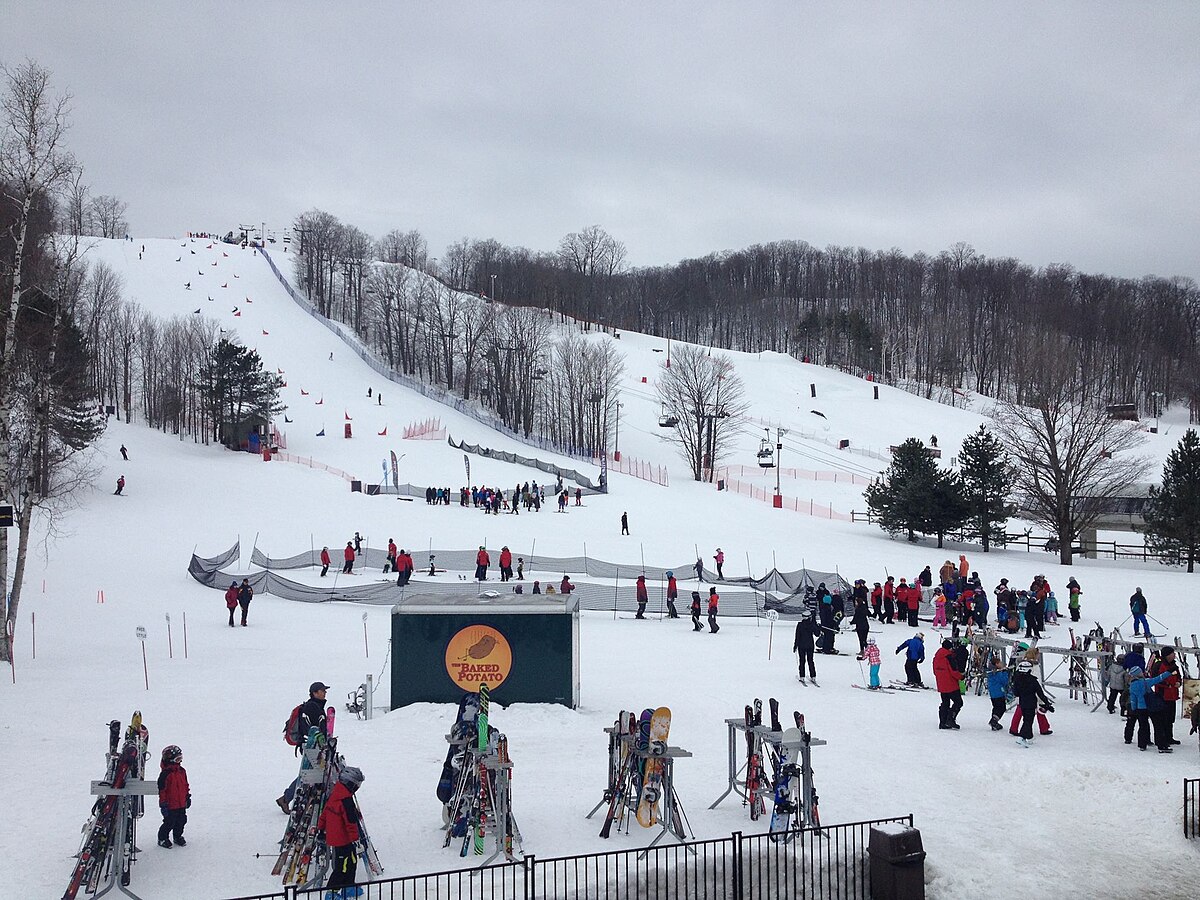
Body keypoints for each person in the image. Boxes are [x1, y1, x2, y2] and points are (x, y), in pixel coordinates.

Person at [277, 682, 330, 813]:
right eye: (322, 691)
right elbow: (310, 729)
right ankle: (286, 797)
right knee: (309, 774)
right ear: (314, 693)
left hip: (315, 746)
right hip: (312, 746)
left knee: (313, 773)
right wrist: (318, 741)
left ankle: (290, 797)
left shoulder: (317, 706)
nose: (325, 693)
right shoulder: (312, 707)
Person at [319, 766, 365, 897]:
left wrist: (320, 829)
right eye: (357, 785)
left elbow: (324, 814)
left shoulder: (335, 795)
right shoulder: (346, 800)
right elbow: (350, 823)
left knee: (352, 861)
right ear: (350, 783)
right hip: (343, 840)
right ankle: (331, 893)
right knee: (342, 866)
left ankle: (348, 886)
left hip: (340, 839)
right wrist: (356, 840)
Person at [1126, 666, 1172, 751]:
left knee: (1143, 726)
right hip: (1151, 706)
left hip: (1140, 709)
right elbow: (1158, 679)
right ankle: (1161, 745)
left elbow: (1133, 700)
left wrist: (1134, 709)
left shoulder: (1132, 686)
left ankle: (1142, 744)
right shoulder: (1146, 682)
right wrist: (1169, 672)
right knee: (1158, 725)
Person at [1148, 646, 1182, 752]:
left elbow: (1179, 676)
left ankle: (1169, 737)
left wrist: (1179, 683)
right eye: (1172, 654)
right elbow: (1154, 679)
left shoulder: (1174, 665)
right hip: (1162, 695)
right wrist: (1168, 684)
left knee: (1170, 718)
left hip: (1172, 695)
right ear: (1167, 655)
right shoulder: (1159, 665)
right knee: (1162, 719)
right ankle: (1163, 739)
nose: (1174, 655)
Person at [1012, 660, 1053, 747]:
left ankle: (1029, 737)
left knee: (1026, 719)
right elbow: (1040, 693)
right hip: (1031, 703)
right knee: (1028, 721)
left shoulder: (1017, 679)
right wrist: (1047, 703)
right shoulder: (1033, 680)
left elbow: (1016, 693)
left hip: (1022, 703)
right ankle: (1021, 737)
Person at [156, 745, 190, 848]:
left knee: (181, 821)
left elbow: (185, 785)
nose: (179, 761)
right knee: (169, 822)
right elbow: (162, 791)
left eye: (180, 758)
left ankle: (177, 836)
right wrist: (163, 804)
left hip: (181, 803)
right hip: (170, 805)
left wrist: (187, 796)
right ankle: (162, 838)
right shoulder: (165, 775)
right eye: (177, 759)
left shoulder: (182, 771)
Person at [933, 638, 964, 729]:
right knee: (958, 702)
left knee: (945, 703)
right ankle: (950, 719)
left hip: (941, 684)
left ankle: (942, 722)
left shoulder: (936, 658)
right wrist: (961, 677)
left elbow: (935, 671)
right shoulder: (949, 657)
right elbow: (954, 672)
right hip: (951, 685)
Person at [986, 657, 1010, 731]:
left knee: (996, 707)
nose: (1002, 664)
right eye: (1000, 663)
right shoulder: (998, 673)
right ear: (996, 664)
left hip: (993, 694)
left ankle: (994, 722)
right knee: (1002, 708)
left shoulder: (991, 672)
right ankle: (994, 720)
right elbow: (1004, 681)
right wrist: (1005, 672)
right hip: (999, 693)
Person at [793, 615, 818, 680]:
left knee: (802, 661)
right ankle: (813, 676)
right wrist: (819, 627)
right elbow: (817, 634)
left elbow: (797, 636)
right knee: (810, 661)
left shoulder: (800, 625)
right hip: (810, 645)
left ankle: (802, 676)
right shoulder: (812, 625)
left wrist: (795, 646)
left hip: (801, 645)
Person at [851, 593, 870, 658]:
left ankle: (863, 650)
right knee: (864, 639)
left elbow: (855, 618)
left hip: (860, 627)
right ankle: (868, 650)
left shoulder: (858, 609)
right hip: (866, 626)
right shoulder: (864, 608)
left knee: (861, 639)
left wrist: (851, 622)